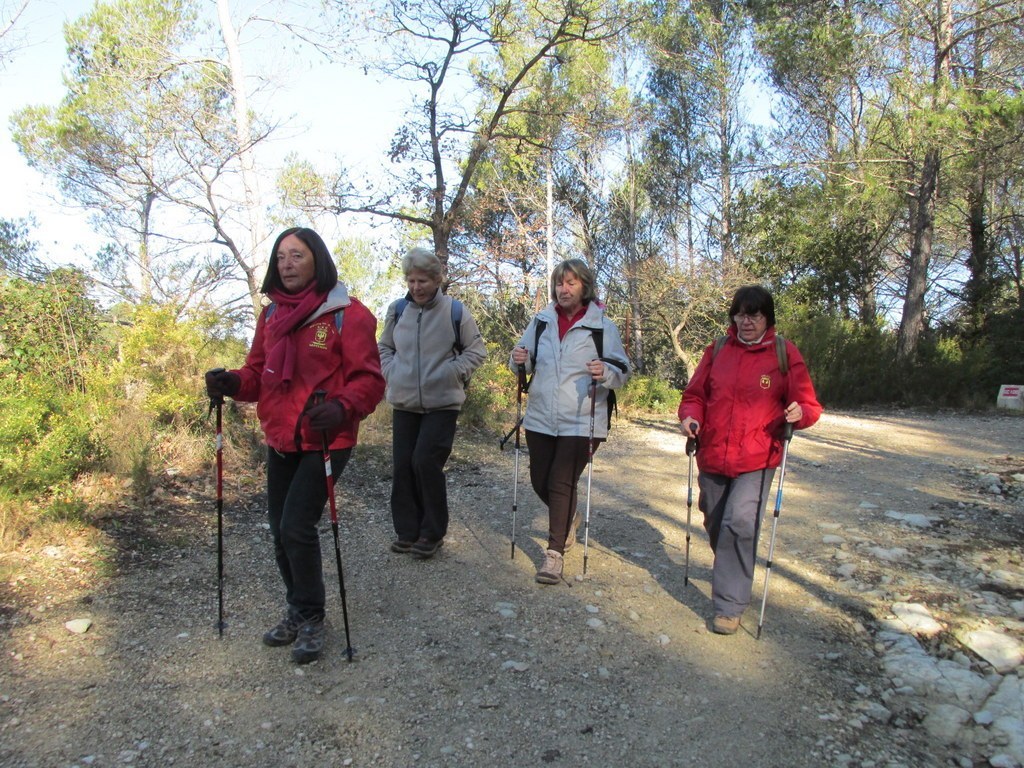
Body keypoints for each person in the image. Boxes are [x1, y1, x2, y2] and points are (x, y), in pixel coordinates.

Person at [204, 227, 385, 664]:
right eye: (281, 257)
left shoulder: (348, 314)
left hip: (327, 439)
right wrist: (231, 383)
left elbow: (370, 380)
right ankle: (298, 608)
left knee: (295, 526)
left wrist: (342, 407)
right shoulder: (271, 317)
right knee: (280, 530)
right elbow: (257, 374)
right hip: (282, 437)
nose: (286, 264)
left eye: (296, 256)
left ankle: (311, 616)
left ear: (316, 261)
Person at [678, 285, 821, 635]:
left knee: (740, 523)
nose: (745, 321)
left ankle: (729, 605)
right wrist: (690, 417)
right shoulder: (719, 349)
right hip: (713, 451)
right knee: (715, 519)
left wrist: (798, 413)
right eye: (740, 314)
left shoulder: (784, 353)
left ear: (767, 318)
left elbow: (809, 406)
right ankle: (731, 566)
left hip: (759, 456)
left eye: (753, 315)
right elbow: (695, 394)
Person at [510, 258, 630, 585]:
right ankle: (569, 518)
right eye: (560, 283)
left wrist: (605, 372)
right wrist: (518, 359)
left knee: (561, 482)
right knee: (540, 481)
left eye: (571, 283)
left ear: (584, 286)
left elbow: (622, 371)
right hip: (540, 417)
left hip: (582, 418)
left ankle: (554, 555)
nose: (564, 289)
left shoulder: (603, 326)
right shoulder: (541, 322)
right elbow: (523, 359)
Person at [377, 247, 487, 559]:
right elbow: (384, 346)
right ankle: (407, 531)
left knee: (425, 462)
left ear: (437, 280)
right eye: (411, 281)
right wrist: (392, 371)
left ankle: (432, 533)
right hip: (404, 402)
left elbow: (476, 351)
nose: (416, 287)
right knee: (402, 467)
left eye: (423, 280)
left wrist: (451, 371)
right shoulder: (398, 310)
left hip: (443, 404)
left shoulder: (455, 311)